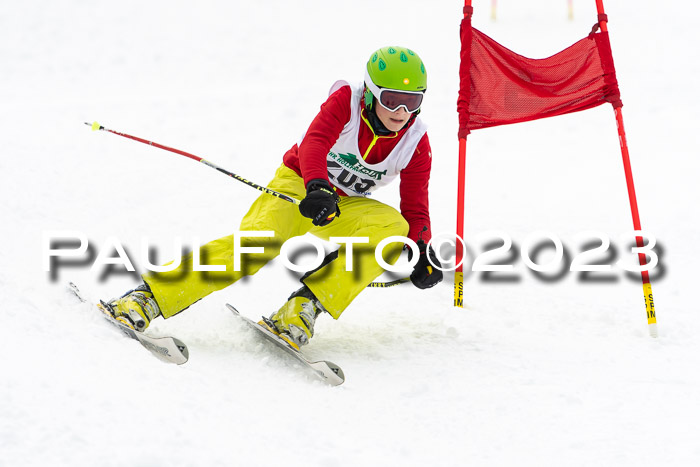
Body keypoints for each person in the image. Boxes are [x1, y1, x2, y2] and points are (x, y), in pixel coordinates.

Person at [104, 46, 443, 350]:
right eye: (391, 99)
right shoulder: (346, 102)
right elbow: (315, 141)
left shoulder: (414, 142)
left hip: (345, 206)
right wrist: (317, 185)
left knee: (394, 229)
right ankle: (145, 297)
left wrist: (422, 249)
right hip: (299, 186)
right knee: (257, 245)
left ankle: (301, 309)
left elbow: (415, 206)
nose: (401, 111)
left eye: (412, 101)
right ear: (370, 93)